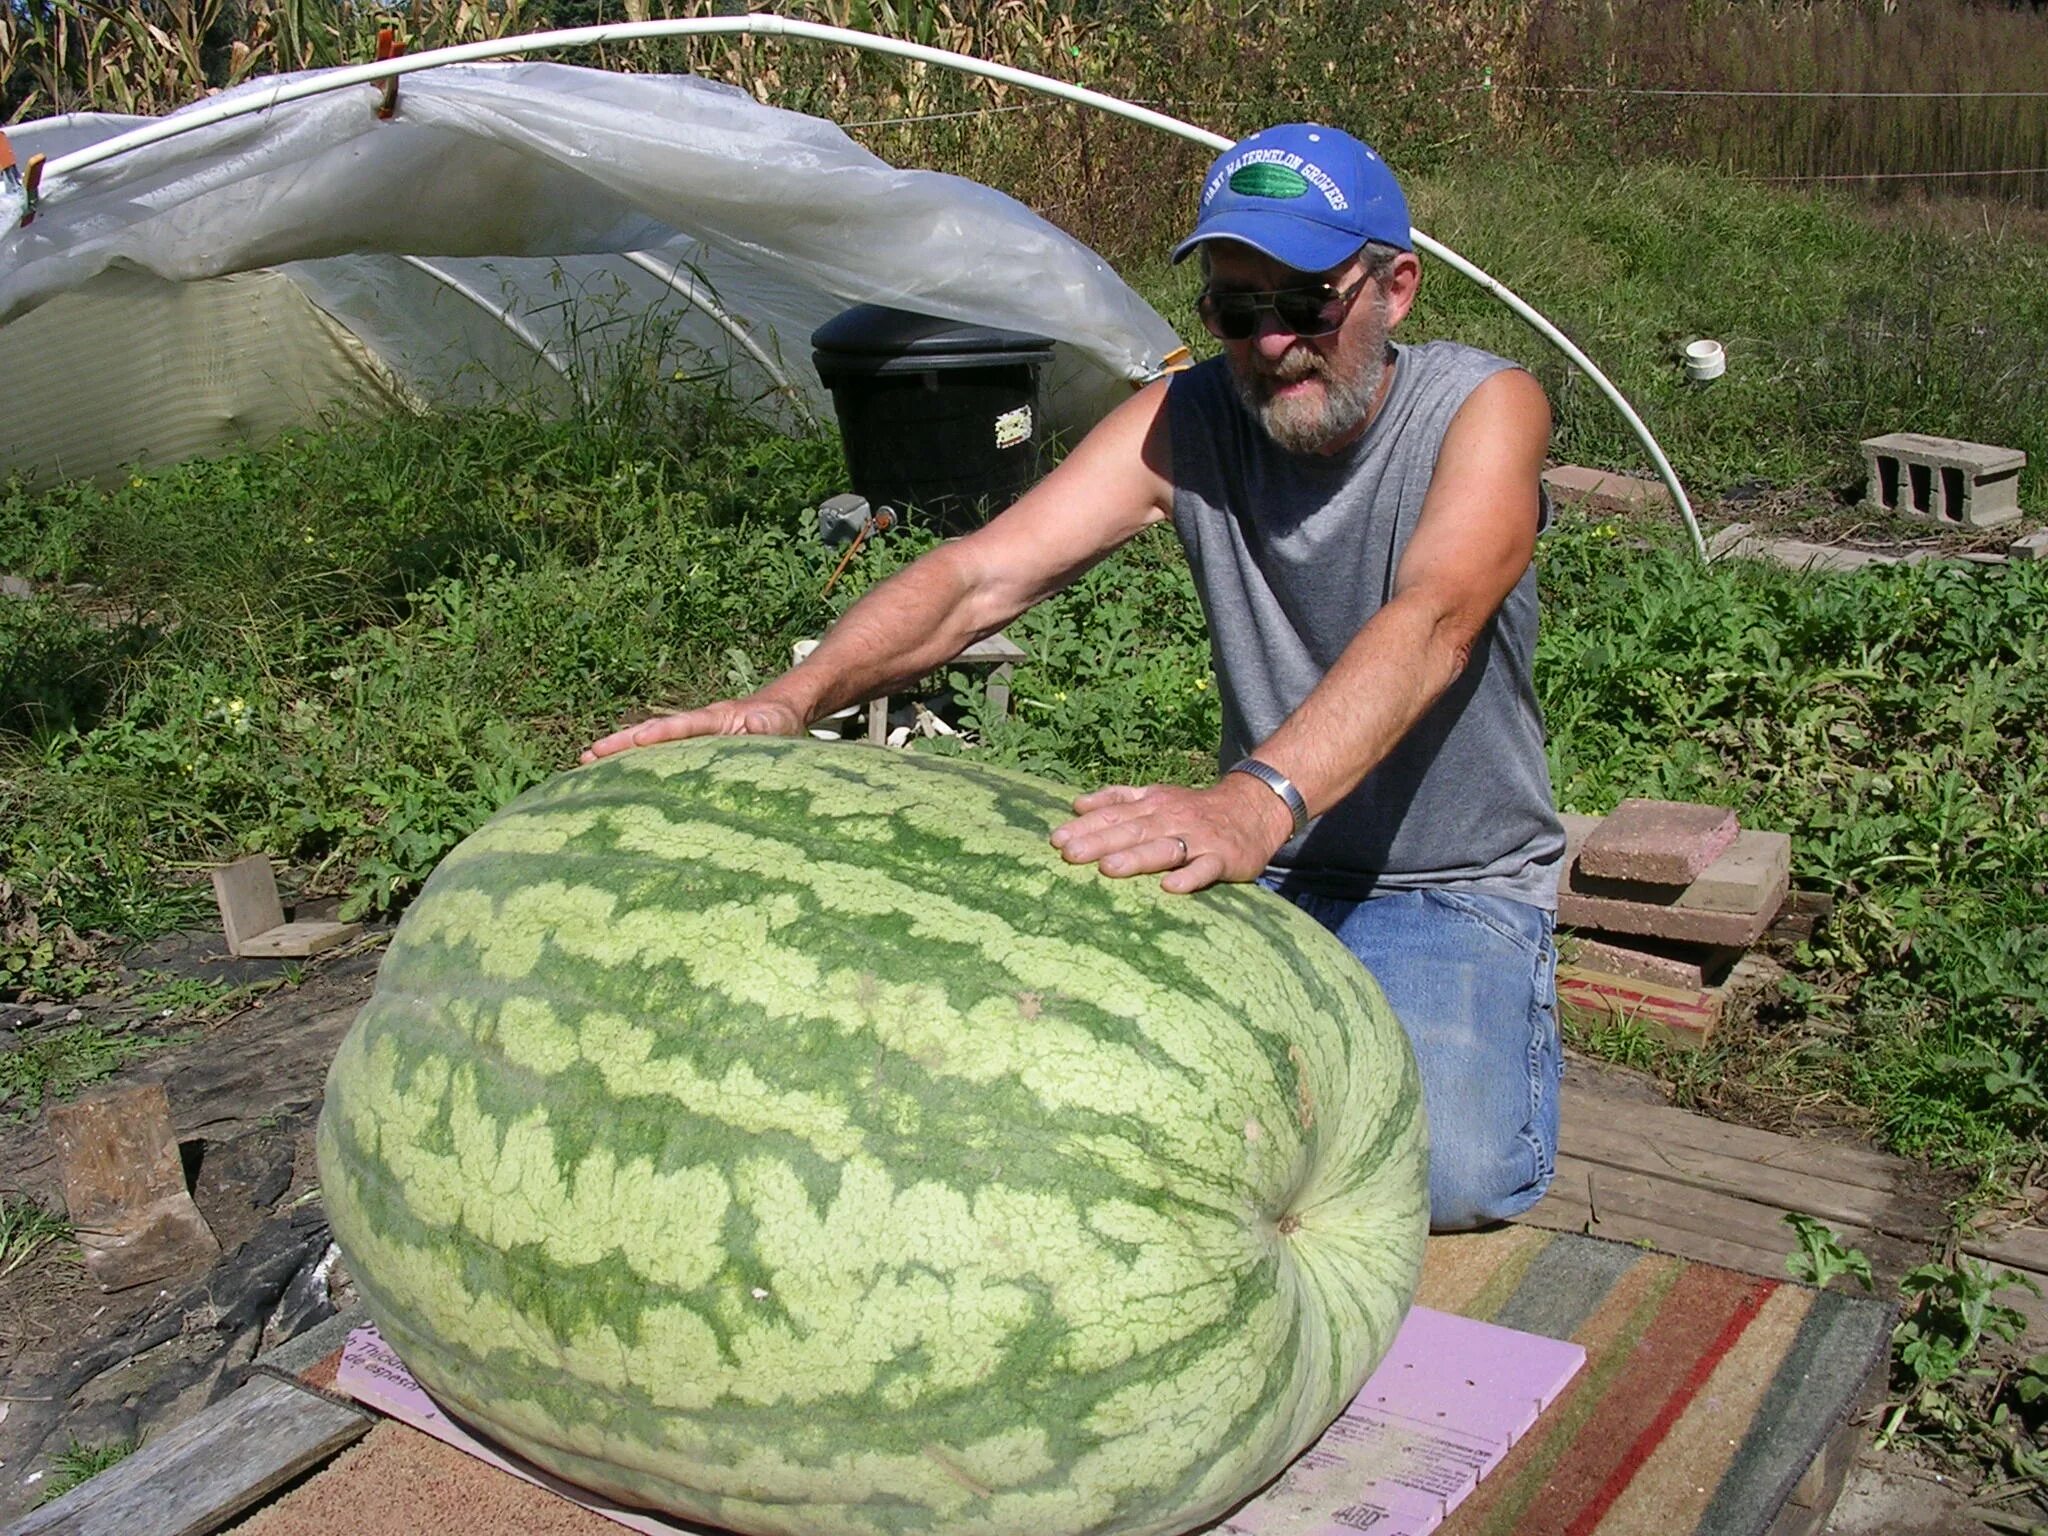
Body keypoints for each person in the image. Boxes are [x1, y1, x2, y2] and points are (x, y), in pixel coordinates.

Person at [584, 123, 1564, 1232]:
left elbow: (1431, 618)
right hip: (1256, 867)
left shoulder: (1481, 408)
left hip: (1442, 882)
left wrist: (1253, 799)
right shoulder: (1188, 418)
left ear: (1394, 288)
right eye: (1235, 312)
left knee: (1444, 1178)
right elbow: (977, 576)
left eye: (1306, 305)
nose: (1273, 343)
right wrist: (792, 699)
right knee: (1085, 1122)